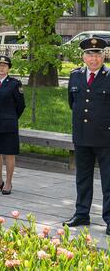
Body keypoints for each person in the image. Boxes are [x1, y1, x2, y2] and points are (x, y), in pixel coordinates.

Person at [63, 38, 110, 234]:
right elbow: (72, 102)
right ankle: (82, 214)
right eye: (90, 54)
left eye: (97, 54)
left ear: (104, 56)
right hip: (82, 137)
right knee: (82, 178)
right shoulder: (75, 76)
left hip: (106, 138)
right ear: (83, 56)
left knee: (109, 181)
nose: (94, 58)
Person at [0, 56, 25, 195]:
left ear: (9, 68)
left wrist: (11, 117)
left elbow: (20, 105)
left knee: (9, 153)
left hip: (8, 124)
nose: (2, 67)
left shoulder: (14, 84)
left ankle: (8, 182)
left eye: (5, 65)